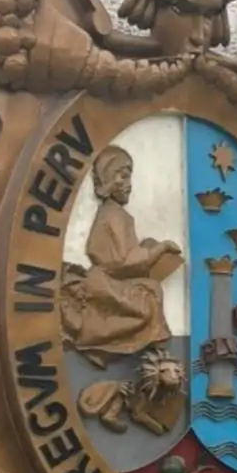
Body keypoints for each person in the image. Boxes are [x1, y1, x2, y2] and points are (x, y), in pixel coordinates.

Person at [59, 145, 184, 367]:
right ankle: (100, 345)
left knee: (150, 290)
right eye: (123, 177)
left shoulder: (118, 214)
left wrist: (149, 249)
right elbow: (122, 262)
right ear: (108, 179)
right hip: (106, 283)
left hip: (111, 278)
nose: (129, 184)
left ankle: (105, 349)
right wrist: (160, 249)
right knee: (148, 296)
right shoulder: (112, 215)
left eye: (130, 177)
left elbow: (127, 255)